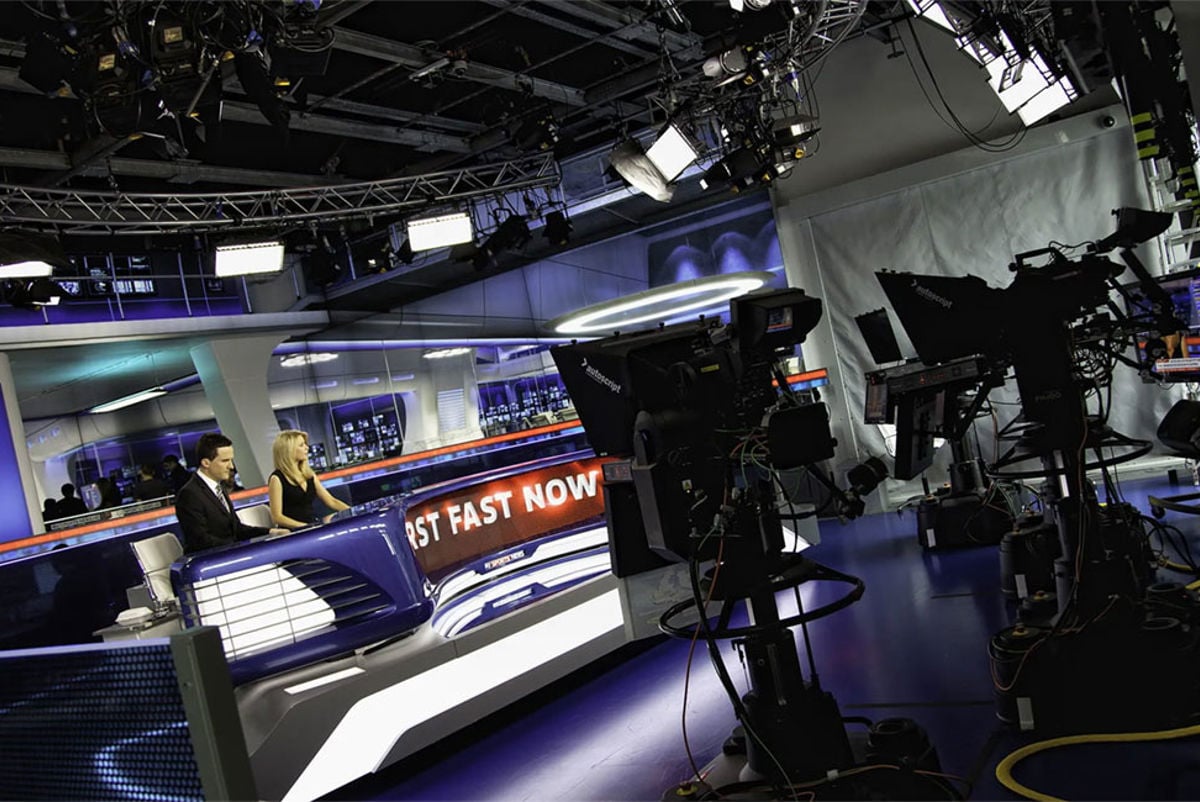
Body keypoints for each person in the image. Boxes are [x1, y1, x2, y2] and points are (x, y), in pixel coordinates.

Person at [174, 432, 287, 553]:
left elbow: (236, 529)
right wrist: (239, 548)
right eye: (225, 461)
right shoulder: (189, 495)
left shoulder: (218, 487)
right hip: (213, 561)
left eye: (231, 460)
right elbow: (201, 541)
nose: (231, 466)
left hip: (231, 554)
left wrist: (270, 532)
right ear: (206, 463)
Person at [268, 430, 350, 529]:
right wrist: (306, 527)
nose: (307, 448)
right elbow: (277, 517)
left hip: (312, 526)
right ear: (289, 450)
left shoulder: (309, 474)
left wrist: (352, 512)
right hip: (292, 532)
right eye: (301, 445)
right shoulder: (276, 479)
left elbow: (331, 501)